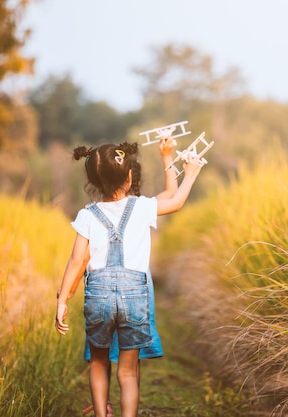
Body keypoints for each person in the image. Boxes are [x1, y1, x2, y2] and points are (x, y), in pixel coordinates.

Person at [55, 140, 203, 417]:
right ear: (129, 175)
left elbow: (76, 261)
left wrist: (62, 300)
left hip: (97, 295)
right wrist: (191, 172)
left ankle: (101, 414)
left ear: (93, 180)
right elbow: (175, 199)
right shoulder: (140, 207)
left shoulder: (87, 214)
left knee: (99, 363)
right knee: (127, 371)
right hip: (135, 295)